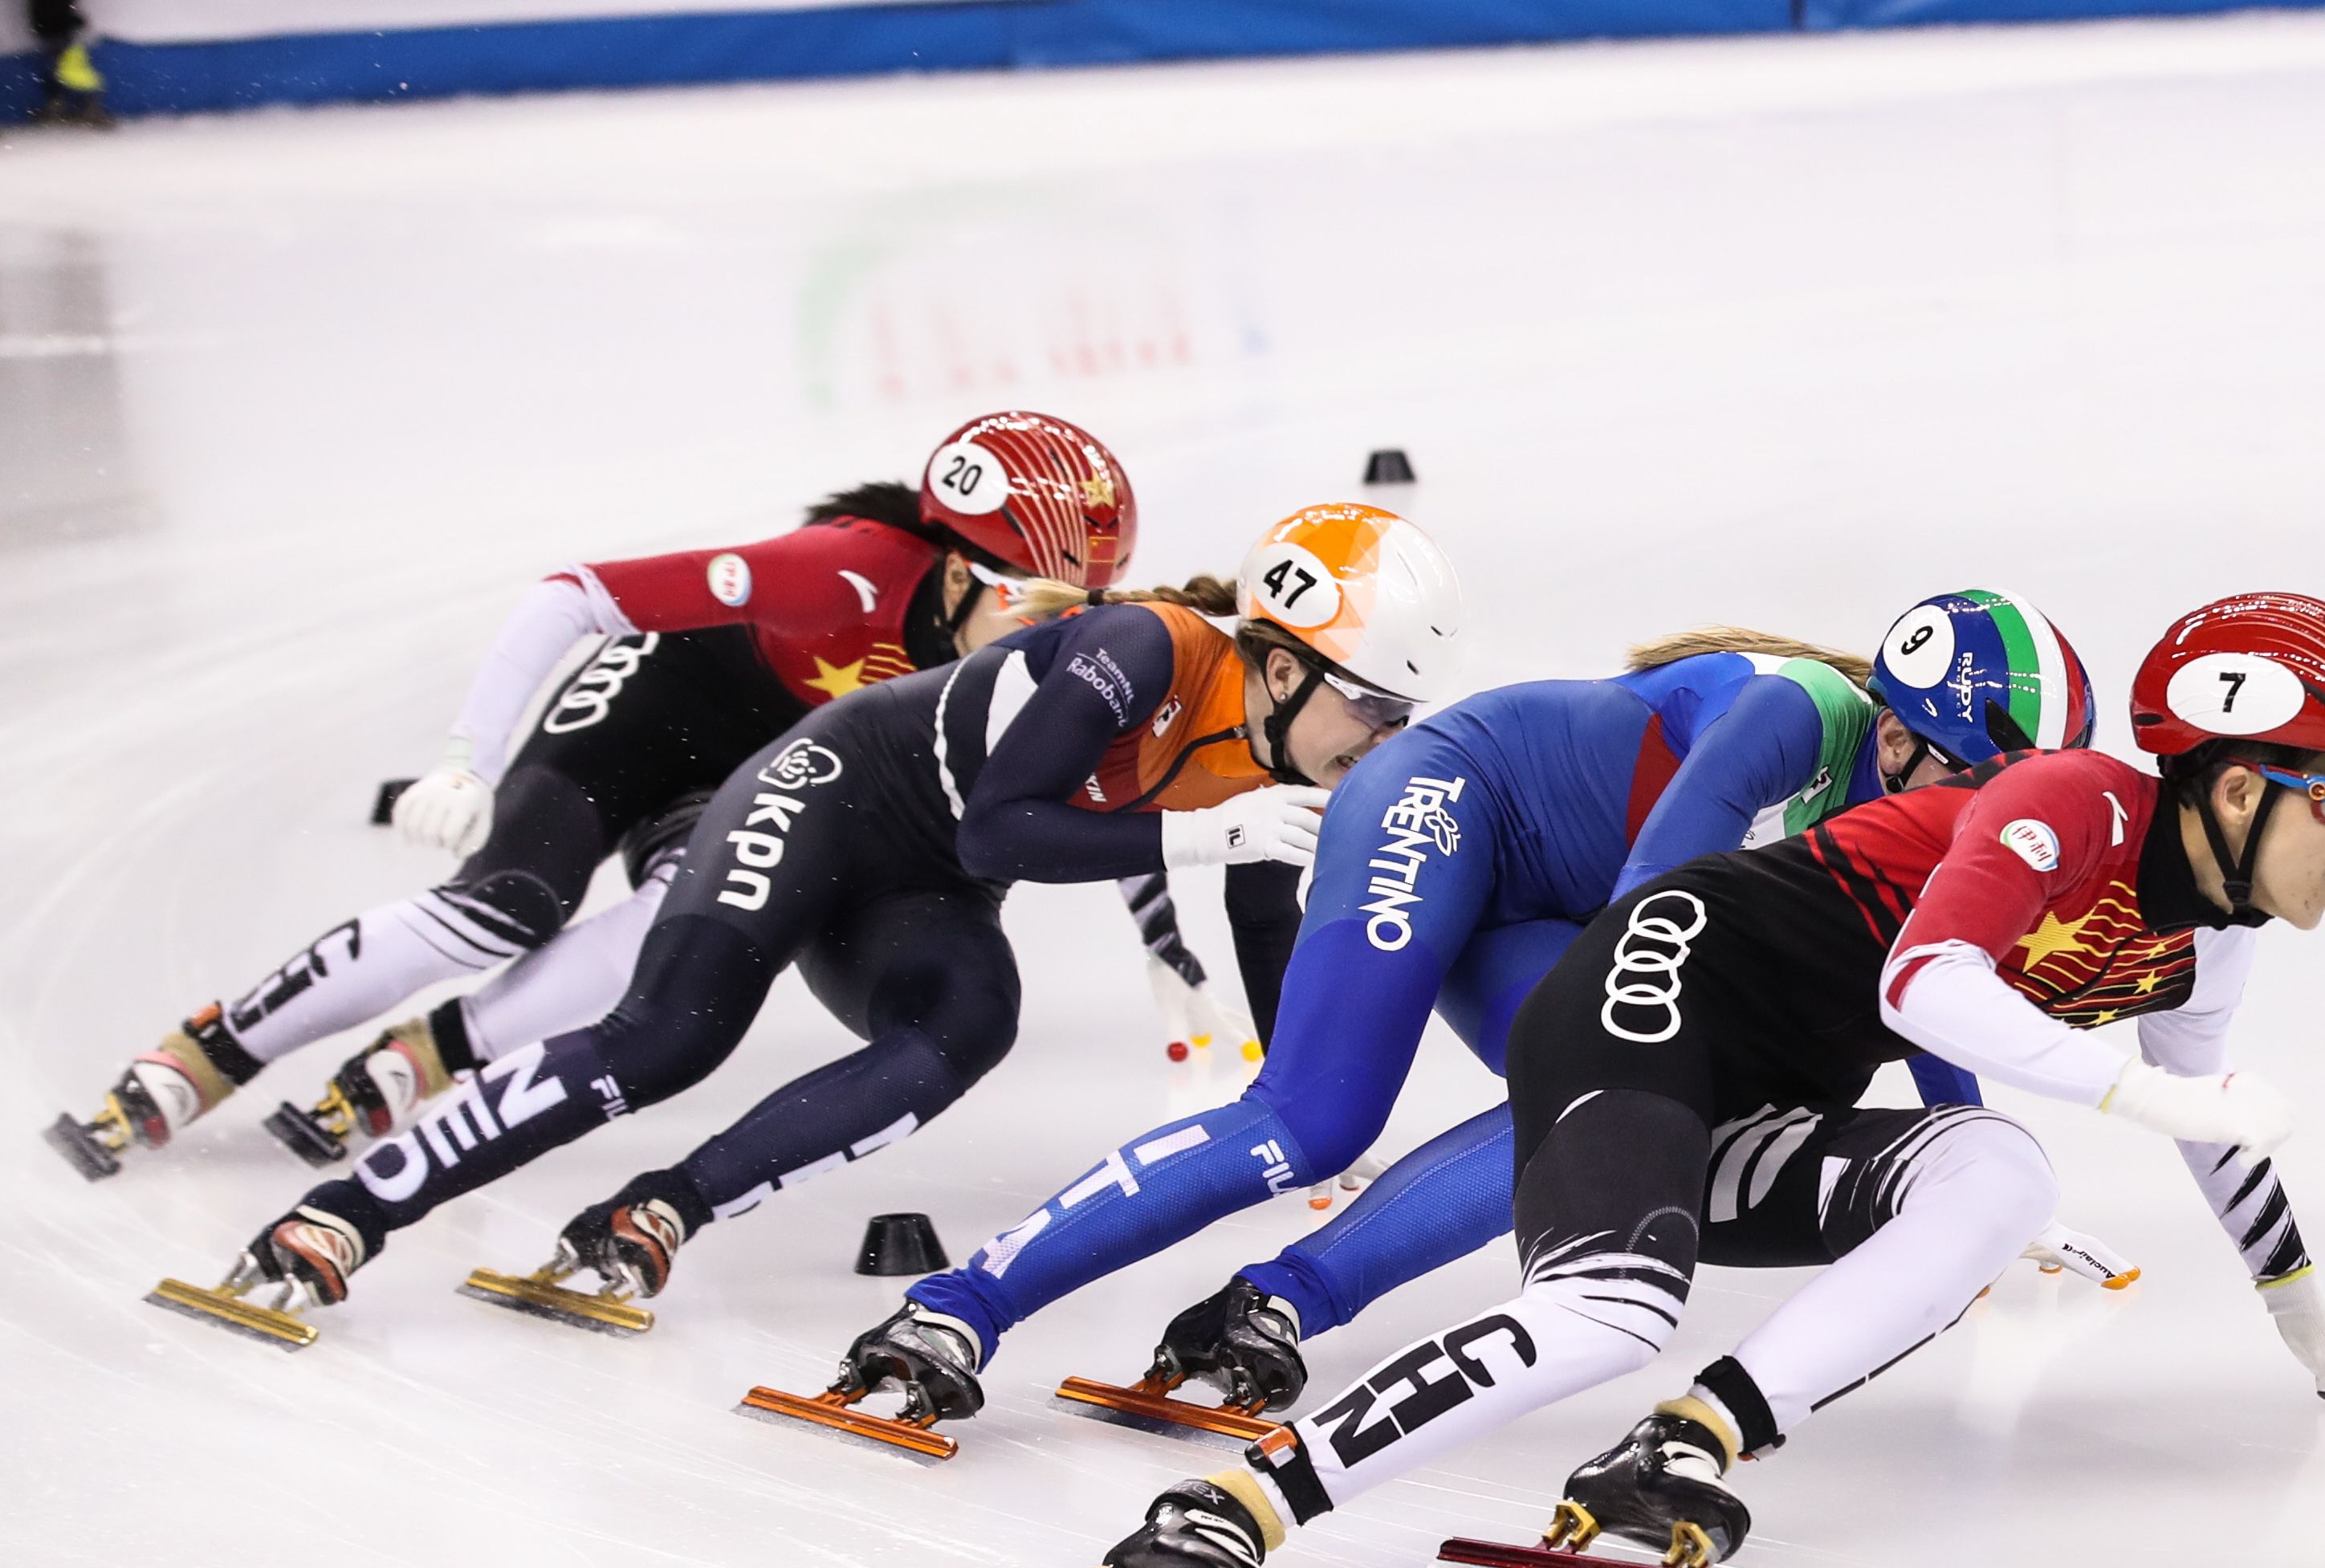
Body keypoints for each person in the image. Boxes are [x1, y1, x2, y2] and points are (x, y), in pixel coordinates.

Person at [1072, 590, 2325, 1568]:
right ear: (2232, 783)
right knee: (1610, 1307)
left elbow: (2210, 1126)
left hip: (1766, 1081)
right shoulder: (2066, 801)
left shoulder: (2212, 935)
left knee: (1997, 1178)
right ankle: (1237, 1505)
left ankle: (1684, 1443)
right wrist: (2136, 1087)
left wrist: (2301, 1314)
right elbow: (1928, 978)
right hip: (1645, 990)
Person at [828, 589, 2101, 1430]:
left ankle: (1274, 1301)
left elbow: (1926, 987)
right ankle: (960, 1304)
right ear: (1900, 740)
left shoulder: (1914, 799)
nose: (1986, 826)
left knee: (1593, 1115)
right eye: (1980, 788)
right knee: (1313, 1120)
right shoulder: (1794, 712)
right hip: (1451, 801)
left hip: (1556, 896)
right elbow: (1665, 884)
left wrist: (1952, 1172)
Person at [194, 499, 1450, 1326]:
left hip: (920, 884)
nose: (1381, 741)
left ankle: (659, 1209)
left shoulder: (1282, 758)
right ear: (1279, 663)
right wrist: (1199, 831)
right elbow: (997, 824)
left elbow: (1265, 933)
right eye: (1372, 709)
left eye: (1398, 719)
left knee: (965, 1021)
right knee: (668, 1036)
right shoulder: (1139, 647)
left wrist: (1307, 1102)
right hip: (826, 797)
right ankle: (346, 1213)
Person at [49, 412, 1133, 1180]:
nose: (1051, 628)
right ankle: (208, 1050)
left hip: (759, 766)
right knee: (502, 906)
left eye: (1077, 607)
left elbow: (1106, 781)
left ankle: (429, 1055)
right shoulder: (839, 569)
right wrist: (468, 759)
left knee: (678, 925)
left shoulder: (1034, 655)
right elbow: (575, 595)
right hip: (645, 708)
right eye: (1027, 598)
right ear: (952, 567)